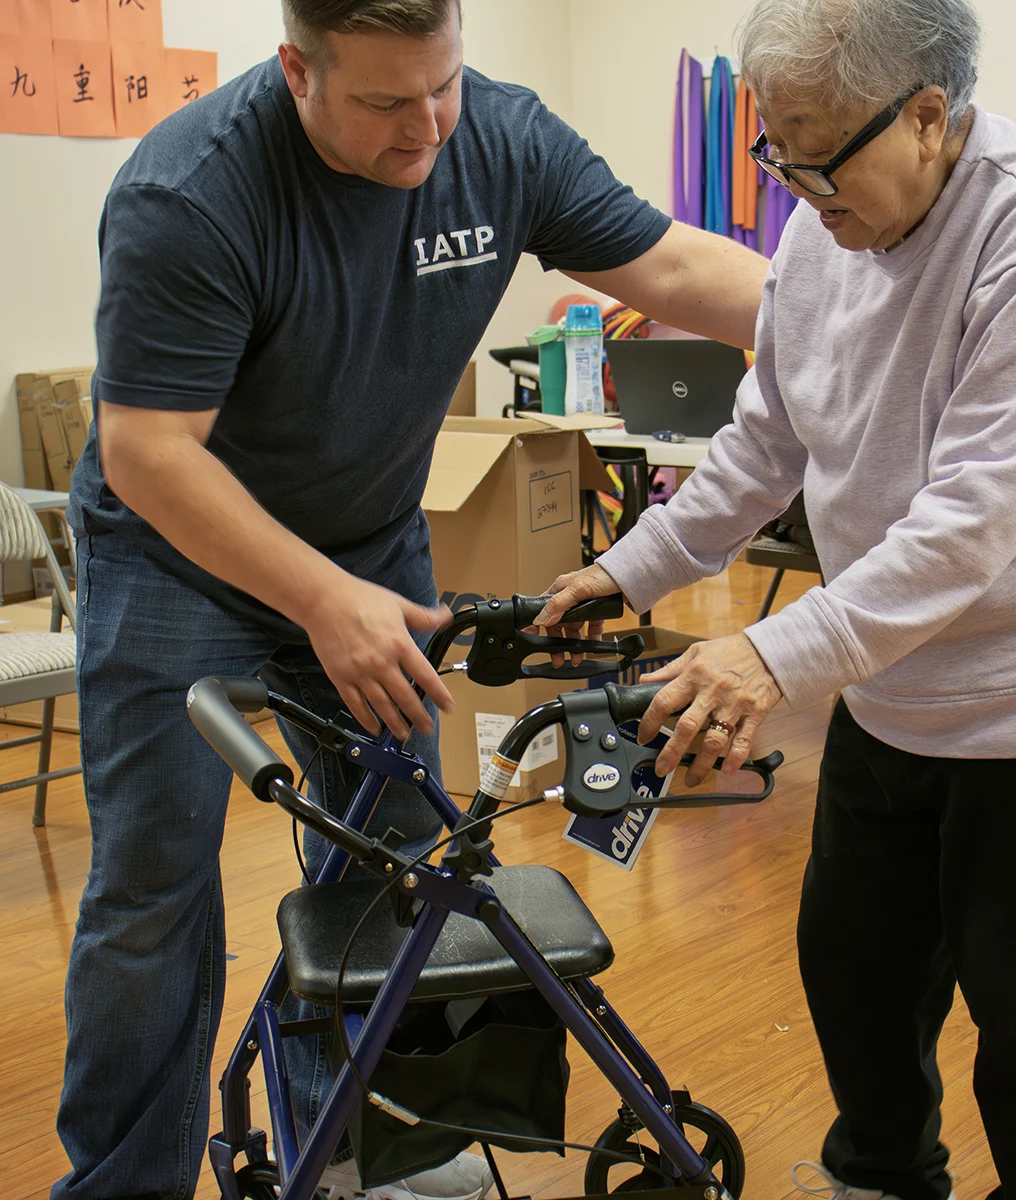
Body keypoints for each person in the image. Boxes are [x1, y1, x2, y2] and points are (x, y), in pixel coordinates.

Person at [53, 2, 769, 1198]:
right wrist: (323, 599)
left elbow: (678, 266)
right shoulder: (193, 190)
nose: (425, 128)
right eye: (385, 102)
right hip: (176, 553)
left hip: (369, 540)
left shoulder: (497, 137)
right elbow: (148, 453)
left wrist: (874, 313)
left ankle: (387, 1154)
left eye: (441, 85)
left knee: (406, 870)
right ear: (297, 70)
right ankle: (123, 1183)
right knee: (149, 892)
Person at [537, 0, 1016, 1196]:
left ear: (930, 114)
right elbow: (762, 446)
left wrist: (769, 656)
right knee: (856, 979)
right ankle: (883, 1179)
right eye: (773, 152)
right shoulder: (817, 236)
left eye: (817, 152)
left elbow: (971, 523)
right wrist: (622, 570)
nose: (796, 185)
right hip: (892, 681)